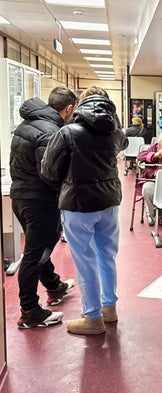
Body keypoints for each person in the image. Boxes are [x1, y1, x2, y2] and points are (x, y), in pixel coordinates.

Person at [41, 86, 128, 335]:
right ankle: (109, 308)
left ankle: (92, 317)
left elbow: (48, 170)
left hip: (78, 205)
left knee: (85, 261)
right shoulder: (115, 132)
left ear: (80, 104)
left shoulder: (68, 133)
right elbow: (123, 143)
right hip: (110, 203)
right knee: (107, 256)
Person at [9, 87, 77, 329]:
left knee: (39, 246)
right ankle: (29, 311)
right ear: (69, 109)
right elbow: (49, 173)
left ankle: (54, 286)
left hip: (20, 196)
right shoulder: (51, 132)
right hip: (39, 200)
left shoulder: (27, 124)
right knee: (35, 254)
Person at [136, 127, 162, 226]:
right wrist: (154, 155)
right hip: (155, 183)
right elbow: (140, 156)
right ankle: (155, 214)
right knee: (147, 188)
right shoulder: (155, 147)